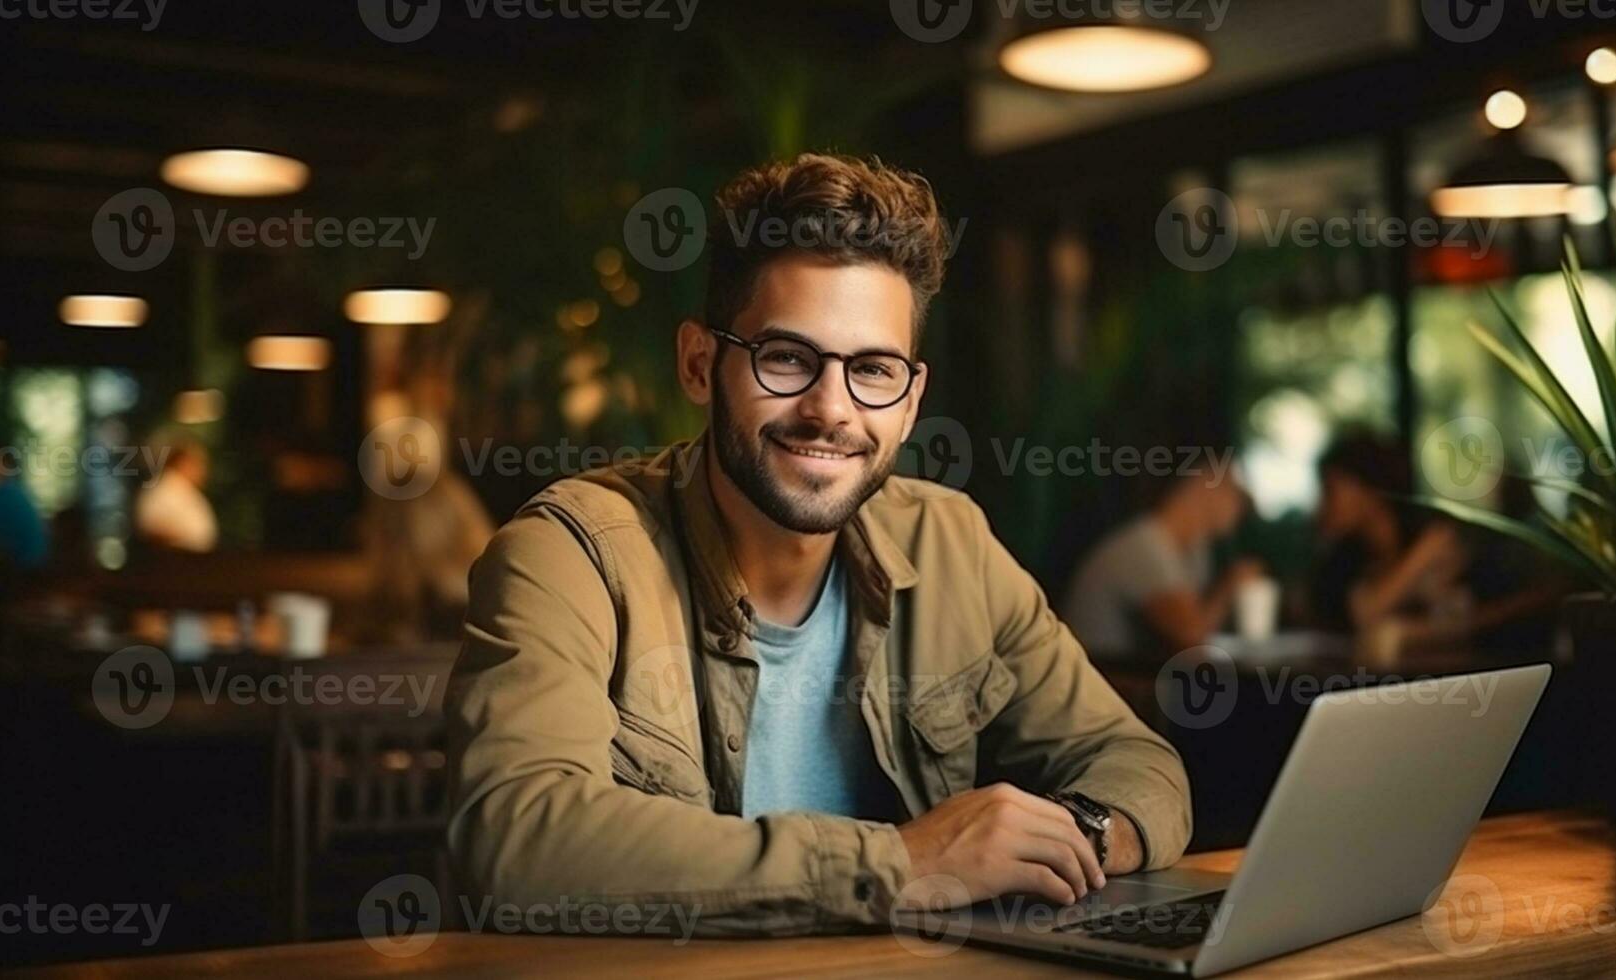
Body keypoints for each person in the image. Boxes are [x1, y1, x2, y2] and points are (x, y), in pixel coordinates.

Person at [446, 154, 1191, 936]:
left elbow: (1141, 768)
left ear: (910, 402)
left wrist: (1079, 837)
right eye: (787, 358)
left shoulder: (949, 542)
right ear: (701, 365)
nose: (830, 409)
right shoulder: (571, 552)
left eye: (873, 369)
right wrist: (900, 865)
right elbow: (513, 834)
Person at [1063, 471, 1262, 657]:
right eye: (1233, 492)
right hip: (1103, 678)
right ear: (1203, 485)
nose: (1241, 505)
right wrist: (1229, 587)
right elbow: (1191, 638)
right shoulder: (1144, 547)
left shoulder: (1192, 550)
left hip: (1129, 678)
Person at [1307, 432, 1466, 633]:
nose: (1321, 505)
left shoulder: (1437, 535)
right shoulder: (1347, 556)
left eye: (1330, 490)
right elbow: (1356, 615)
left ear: (1370, 488)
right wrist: (1422, 555)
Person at [133, 434, 218, 553]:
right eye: (197, 463)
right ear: (182, 462)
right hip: (173, 562)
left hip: (195, 561)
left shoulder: (185, 489)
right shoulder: (162, 490)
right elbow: (149, 526)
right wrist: (184, 537)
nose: (202, 470)